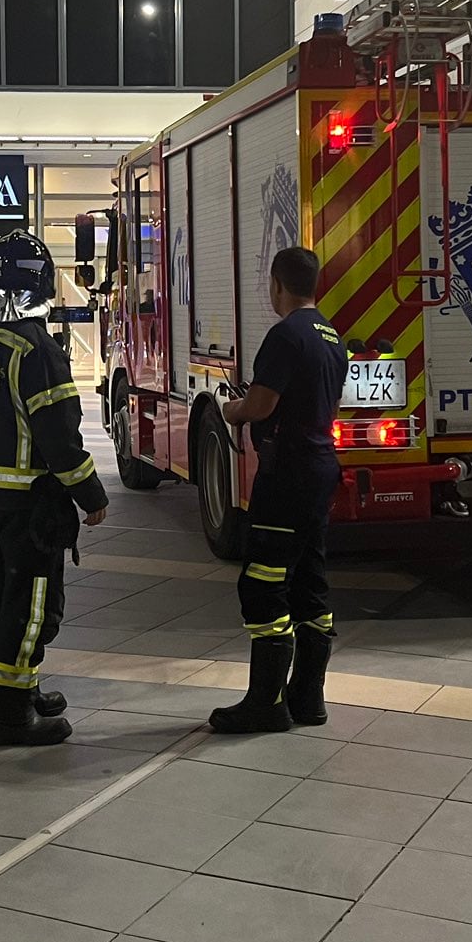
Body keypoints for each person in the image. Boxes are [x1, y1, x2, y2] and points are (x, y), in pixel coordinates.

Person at [0, 230, 107, 748]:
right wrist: (91, 495)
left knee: (3, 598)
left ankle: (25, 687)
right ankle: (10, 714)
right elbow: (59, 436)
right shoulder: (38, 350)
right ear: (44, 285)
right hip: (32, 505)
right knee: (34, 605)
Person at [212, 246, 348, 734]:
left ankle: (266, 704)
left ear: (277, 285)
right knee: (311, 579)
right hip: (318, 469)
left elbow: (262, 404)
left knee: (265, 583)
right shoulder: (332, 335)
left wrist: (231, 410)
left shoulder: (285, 336)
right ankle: (308, 699)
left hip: (286, 474)